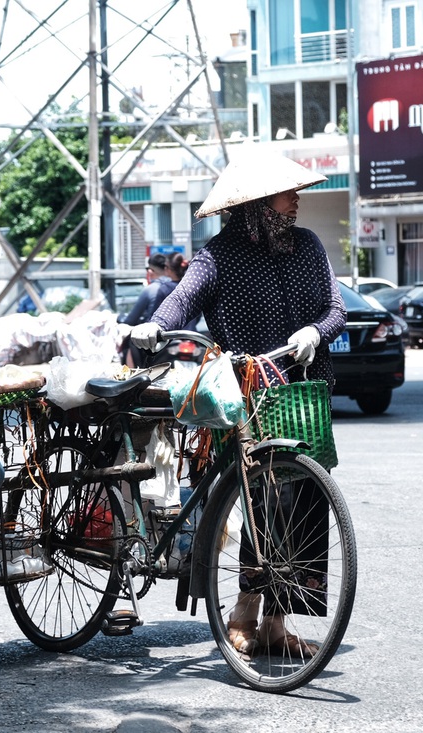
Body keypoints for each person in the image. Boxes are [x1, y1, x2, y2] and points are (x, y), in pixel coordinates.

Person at [129, 151, 346, 657]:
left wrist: (316, 331)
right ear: (256, 204)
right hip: (246, 392)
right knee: (262, 500)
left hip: (304, 389)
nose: (296, 200)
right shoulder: (218, 256)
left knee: (307, 502)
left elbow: (335, 308)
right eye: (286, 193)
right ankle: (243, 612)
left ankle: (276, 621)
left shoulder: (308, 246)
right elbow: (183, 298)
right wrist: (157, 324)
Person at [121, 253, 177, 366]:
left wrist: (120, 318)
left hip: (158, 335)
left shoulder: (152, 289)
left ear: (150, 271)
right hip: (183, 334)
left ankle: (134, 379)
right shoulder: (180, 287)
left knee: (131, 341)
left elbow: (131, 320)